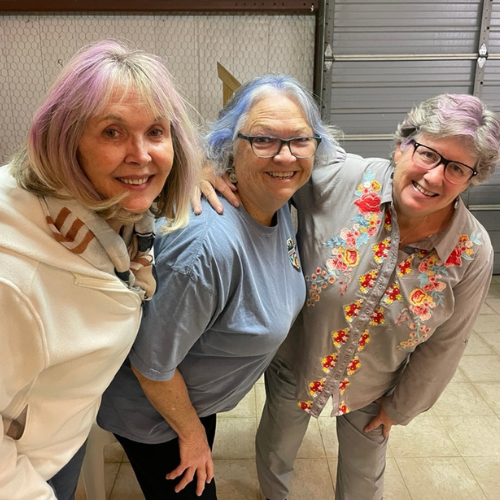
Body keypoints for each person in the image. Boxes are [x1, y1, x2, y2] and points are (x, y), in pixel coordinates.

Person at [205, 93, 500, 500]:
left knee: (364, 478)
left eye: (456, 168)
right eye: (428, 154)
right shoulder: (343, 176)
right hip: (298, 359)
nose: (434, 176)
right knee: (278, 446)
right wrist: (210, 165)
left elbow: (447, 344)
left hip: (376, 384)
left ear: (471, 178)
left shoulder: (471, 250)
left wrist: (400, 408)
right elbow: (270, 140)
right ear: (402, 146)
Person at [97, 74, 338, 500]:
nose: (284, 156)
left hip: (192, 397)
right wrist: (191, 436)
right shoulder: (207, 251)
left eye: (299, 139)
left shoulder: (278, 202)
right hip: (153, 415)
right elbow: (151, 365)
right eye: (263, 139)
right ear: (231, 145)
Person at [0, 40, 199, 500]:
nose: (142, 154)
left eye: (156, 132)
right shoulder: (14, 277)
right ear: (66, 142)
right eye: (112, 132)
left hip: (60, 437)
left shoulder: (112, 220)